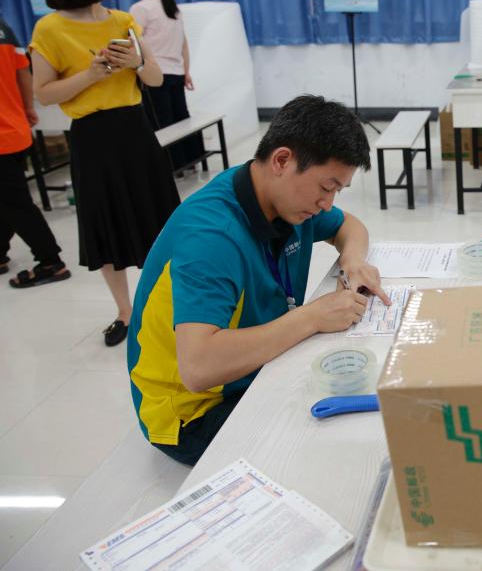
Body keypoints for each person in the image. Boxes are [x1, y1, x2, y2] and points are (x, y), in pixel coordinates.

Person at [127, 95, 389, 466]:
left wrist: (353, 261)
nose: (328, 204)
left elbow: (349, 226)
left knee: (367, 386)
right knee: (348, 439)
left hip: (253, 369)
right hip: (195, 412)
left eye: (337, 191)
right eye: (326, 187)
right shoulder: (211, 236)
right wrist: (312, 317)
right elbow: (198, 368)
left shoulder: (281, 197)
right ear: (282, 160)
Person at [30, 0, 179, 346]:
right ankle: (125, 312)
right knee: (107, 224)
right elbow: (44, 93)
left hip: (135, 130)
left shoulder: (122, 21)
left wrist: (136, 62)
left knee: (157, 218)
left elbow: (155, 78)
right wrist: (91, 75)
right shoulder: (50, 28)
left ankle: (166, 303)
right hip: (92, 137)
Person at [0, 16, 70, 288]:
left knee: (15, 202)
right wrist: (27, 108)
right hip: (15, 128)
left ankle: (50, 261)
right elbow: (23, 73)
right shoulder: (5, 28)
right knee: (9, 198)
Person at [126, 0, 203, 172]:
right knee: (181, 118)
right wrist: (186, 71)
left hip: (155, 74)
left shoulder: (140, 9)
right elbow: (183, 43)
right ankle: (191, 160)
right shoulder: (171, 6)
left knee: (162, 123)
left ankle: (172, 166)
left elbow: (134, 44)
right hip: (176, 72)